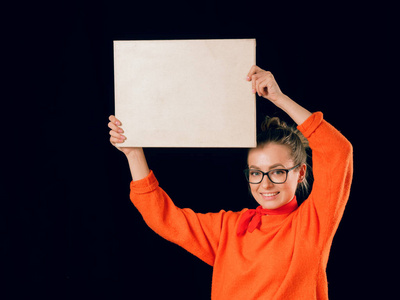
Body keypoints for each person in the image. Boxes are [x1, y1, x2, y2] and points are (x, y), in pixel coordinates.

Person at [108, 65, 353, 299]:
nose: (265, 184)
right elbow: (164, 218)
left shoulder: (312, 224)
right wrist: (133, 153)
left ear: (300, 173)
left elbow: (338, 151)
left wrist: (279, 98)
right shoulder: (229, 229)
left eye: (277, 172)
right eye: (256, 173)